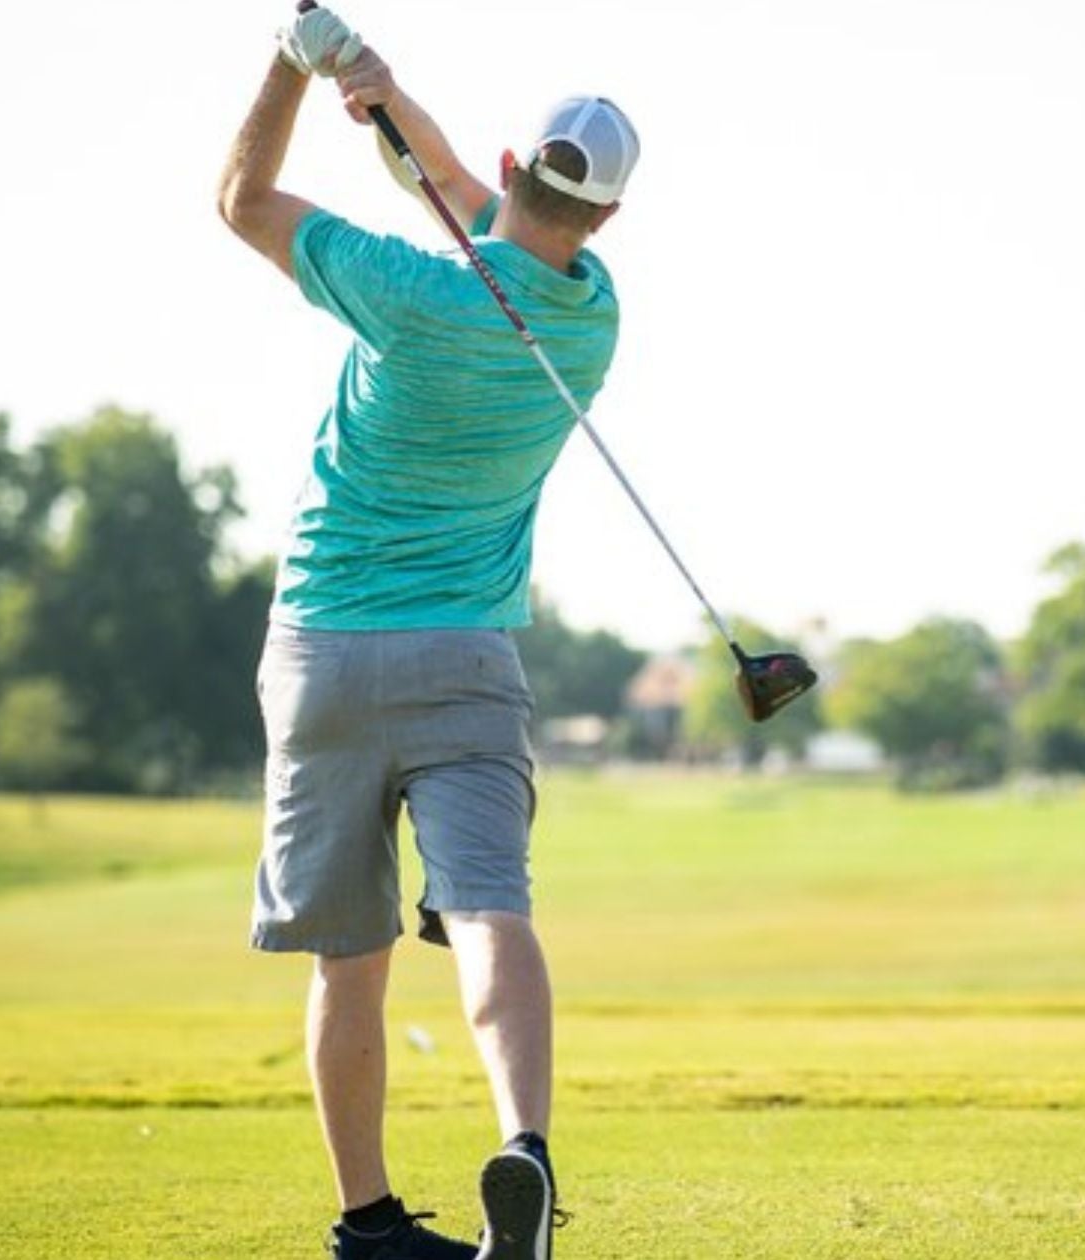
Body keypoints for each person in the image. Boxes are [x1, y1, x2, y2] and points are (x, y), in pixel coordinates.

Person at [216, 7, 638, 1257]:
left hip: (323, 653)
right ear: (605, 217)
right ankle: (525, 1144)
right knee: (491, 909)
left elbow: (244, 198)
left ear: (517, 170)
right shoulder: (590, 317)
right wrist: (383, 96)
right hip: (466, 658)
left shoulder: (407, 292)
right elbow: (456, 191)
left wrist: (296, 68)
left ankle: (369, 1223)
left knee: (349, 958)